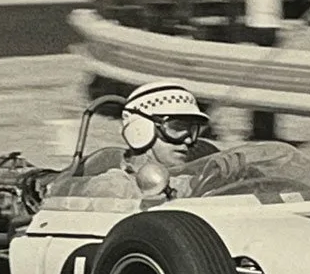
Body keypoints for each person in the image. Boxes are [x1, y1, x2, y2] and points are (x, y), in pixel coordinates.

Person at [67, 83, 218, 198]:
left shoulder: (192, 170)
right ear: (141, 128)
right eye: (176, 128)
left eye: (192, 131)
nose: (188, 141)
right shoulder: (113, 185)